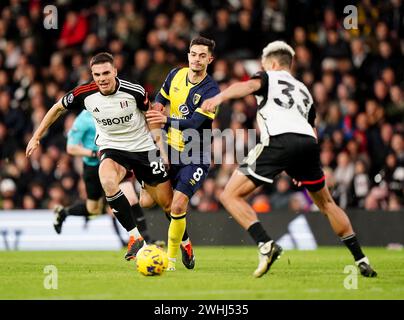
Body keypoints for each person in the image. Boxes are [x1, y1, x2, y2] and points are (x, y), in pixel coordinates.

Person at [200, 40, 377, 278]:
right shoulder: (304, 90)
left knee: (229, 195)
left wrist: (218, 98)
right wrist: (299, 167)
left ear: (272, 64)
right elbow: (312, 128)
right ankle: (361, 258)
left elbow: (247, 87)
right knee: (327, 204)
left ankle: (265, 244)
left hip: (279, 139)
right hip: (307, 144)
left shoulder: (268, 77)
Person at [26, 52, 172, 261]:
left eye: (105, 73)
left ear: (115, 72)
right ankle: (134, 236)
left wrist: (160, 145)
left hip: (133, 151)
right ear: (91, 75)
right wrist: (36, 136)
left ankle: (143, 239)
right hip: (97, 160)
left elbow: (150, 114)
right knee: (94, 207)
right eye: (96, 74)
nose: (101, 78)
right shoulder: (84, 107)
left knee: (138, 198)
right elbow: (59, 112)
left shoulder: (133, 92)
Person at [145, 36, 220, 271]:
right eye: (193, 54)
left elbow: (195, 123)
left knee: (178, 206)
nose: (197, 59)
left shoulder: (212, 90)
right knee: (146, 201)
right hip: (169, 148)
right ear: (188, 55)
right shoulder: (175, 74)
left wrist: (164, 119)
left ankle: (171, 259)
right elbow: (161, 96)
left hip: (195, 154)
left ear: (210, 59)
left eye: (202, 55)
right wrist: (158, 106)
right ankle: (186, 242)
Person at [53, 109, 153, 253]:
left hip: (113, 161)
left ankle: (146, 240)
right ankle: (64, 213)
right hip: (93, 166)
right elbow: (71, 148)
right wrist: (93, 153)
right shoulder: (83, 119)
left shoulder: (111, 109)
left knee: (131, 198)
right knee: (93, 209)